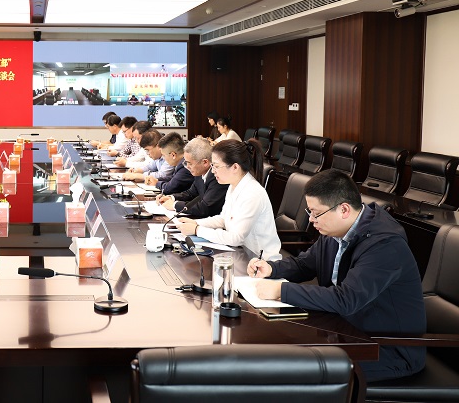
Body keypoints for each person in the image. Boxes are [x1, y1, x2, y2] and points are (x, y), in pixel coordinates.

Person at [249, 169, 426, 382]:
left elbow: (346, 299)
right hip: (344, 331)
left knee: (293, 369)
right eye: (309, 212)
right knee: (276, 352)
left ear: (343, 209)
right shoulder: (336, 230)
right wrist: (272, 269)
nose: (311, 220)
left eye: (316, 213)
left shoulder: (385, 245)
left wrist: (281, 290)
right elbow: (305, 264)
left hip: (387, 349)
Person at [177, 139, 281, 259]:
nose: (213, 171)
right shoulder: (233, 185)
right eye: (212, 166)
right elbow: (224, 219)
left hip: (261, 261)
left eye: (216, 166)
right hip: (241, 254)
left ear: (235, 167)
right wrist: (196, 223)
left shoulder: (252, 193)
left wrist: (197, 230)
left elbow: (236, 238)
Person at [157, 137, 227, 219]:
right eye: (186, 162)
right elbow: (191, 193)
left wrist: (174, 205)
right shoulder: (200, 173)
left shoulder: (217, 176)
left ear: (205, 162)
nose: (187, 166)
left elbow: (205, 208)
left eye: (189, 163)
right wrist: (171, 197)